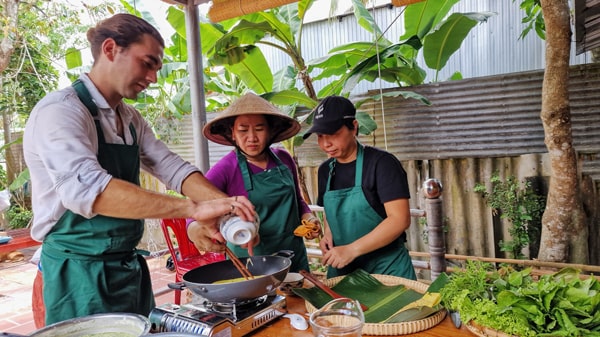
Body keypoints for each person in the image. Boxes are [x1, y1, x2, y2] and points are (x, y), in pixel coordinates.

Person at [23, 13, 255, 327]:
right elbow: (91, 191)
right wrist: (195, 208)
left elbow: (174, 169)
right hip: (77, 273)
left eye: (158, 68)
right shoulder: (61, 112)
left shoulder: (131, 120)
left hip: (127, 267)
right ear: (110, 49)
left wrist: (228, 211)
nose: (154, 78)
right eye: (148, 63)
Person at [194, 92, 320, 272]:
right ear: (233, 134)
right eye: (243, 130)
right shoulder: (225, 169)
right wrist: (195, 229)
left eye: (259, 129)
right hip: (253, 263)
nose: (252, 137)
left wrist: (310, 219)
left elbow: (298, 202)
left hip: (294, 256)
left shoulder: (284, 158)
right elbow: (196, 208)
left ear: (270, 131)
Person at [303, 95, 416, 280]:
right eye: (320, 136)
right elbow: (331, 214)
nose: (325, 144)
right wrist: (329, 236)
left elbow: (399, 219)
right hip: (344, 270)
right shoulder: (325, 171)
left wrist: (351, 250)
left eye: (333, 134)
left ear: (354, 127)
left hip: (387, 269)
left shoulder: (382, 163)